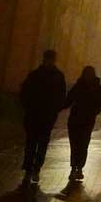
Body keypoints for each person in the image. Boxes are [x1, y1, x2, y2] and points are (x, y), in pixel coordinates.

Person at [18, 49, 67, 190]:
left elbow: (25, 93)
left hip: (39, 115)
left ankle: (33, 169)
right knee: (35, 143)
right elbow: (61, 97)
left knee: (35, 143)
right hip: (41, 115)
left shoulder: (36, 75)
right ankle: (32, 170)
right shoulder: (56, 76)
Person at [62, 65, 101, 189]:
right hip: (77, 119)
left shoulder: (94, 87)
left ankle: (78, 167)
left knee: (83, 144)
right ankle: (74, 167)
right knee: (76, 144)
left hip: (85, 119)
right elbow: (69, 99)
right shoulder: (83, 86)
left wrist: (94, 111)